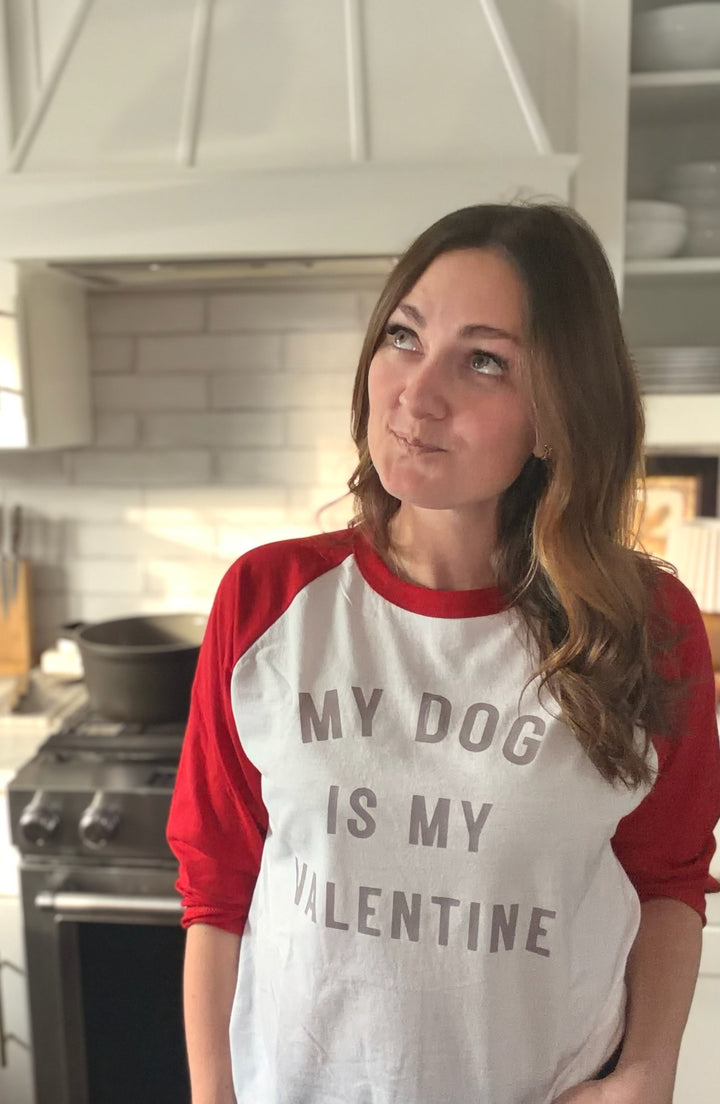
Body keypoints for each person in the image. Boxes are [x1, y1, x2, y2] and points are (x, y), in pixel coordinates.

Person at [167, 202, 719, 1104]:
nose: (416, 395)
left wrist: (651, 1069)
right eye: (403, 337)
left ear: (557, 414)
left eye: (485, 360)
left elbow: (667, 877)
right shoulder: (269, 605)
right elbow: (217, 887)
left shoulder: (643, 627)